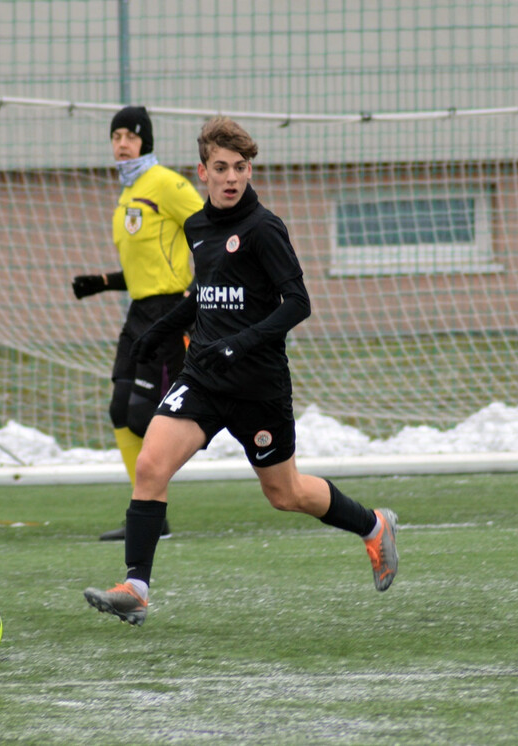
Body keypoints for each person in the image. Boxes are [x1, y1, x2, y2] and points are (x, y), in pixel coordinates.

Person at [83, 117, 399, 626]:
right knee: (150, 466)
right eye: (222, 168)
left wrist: (239, 344)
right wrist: (162, 329)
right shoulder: (198, 227)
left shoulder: (264, 229)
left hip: (257, 385)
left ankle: (374, 525)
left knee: (286, 494)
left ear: (249, 171)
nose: (232, 178)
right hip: (204, 377)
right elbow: (205, 295)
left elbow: (298, 303)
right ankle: (136, 587)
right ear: (202, 172)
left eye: (242, 168)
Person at [72, 106, 204, 541]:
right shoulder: (128, 194)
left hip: (170, 314)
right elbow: (146, 269)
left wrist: (200, 290)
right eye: (116, 136)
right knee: (119, 410)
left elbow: (211, 233)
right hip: (139, 314)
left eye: (130, 135)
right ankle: (149, 518)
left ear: (146, 140)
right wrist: (104, 282)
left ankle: (202, 432)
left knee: (145, 413)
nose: (122, 143)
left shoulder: (166, 183)